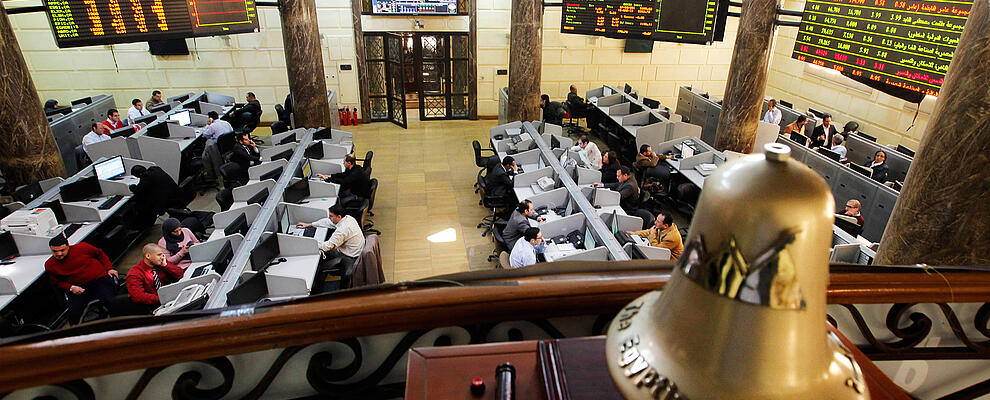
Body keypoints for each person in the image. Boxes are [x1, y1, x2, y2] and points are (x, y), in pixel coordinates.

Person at [44, 234, 119, 323]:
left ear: (68, 247)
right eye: (55, 251)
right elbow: (57, 282)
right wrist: (71, 287)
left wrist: (109, 268)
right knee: (74, 313)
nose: (59, 254)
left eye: (62, 250)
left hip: (99, 280)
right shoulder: (50, 265)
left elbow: (100, 254)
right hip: (78, 288)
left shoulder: (83, 247)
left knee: (111, 301)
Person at [296, 205, 366, 271]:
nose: (329, 218)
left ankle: (318, 273)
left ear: (339, 217)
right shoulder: (348, 218)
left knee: (317, 253)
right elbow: (328, 222)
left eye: (331, 216)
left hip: (350, 256)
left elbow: (327, 247)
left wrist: (308, 242)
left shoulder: (342, 230)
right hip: (356, 250)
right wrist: (310, 224)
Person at [125, 244, 184, 313]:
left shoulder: (161, 263)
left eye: (162, 254)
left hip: (168, 298)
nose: (162, 257)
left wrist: (166, 265)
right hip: (153, 306)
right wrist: (162, 299)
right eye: (159, 255)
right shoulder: (135, 273)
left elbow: (180, 274)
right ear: (148, 256)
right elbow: (138, 296)